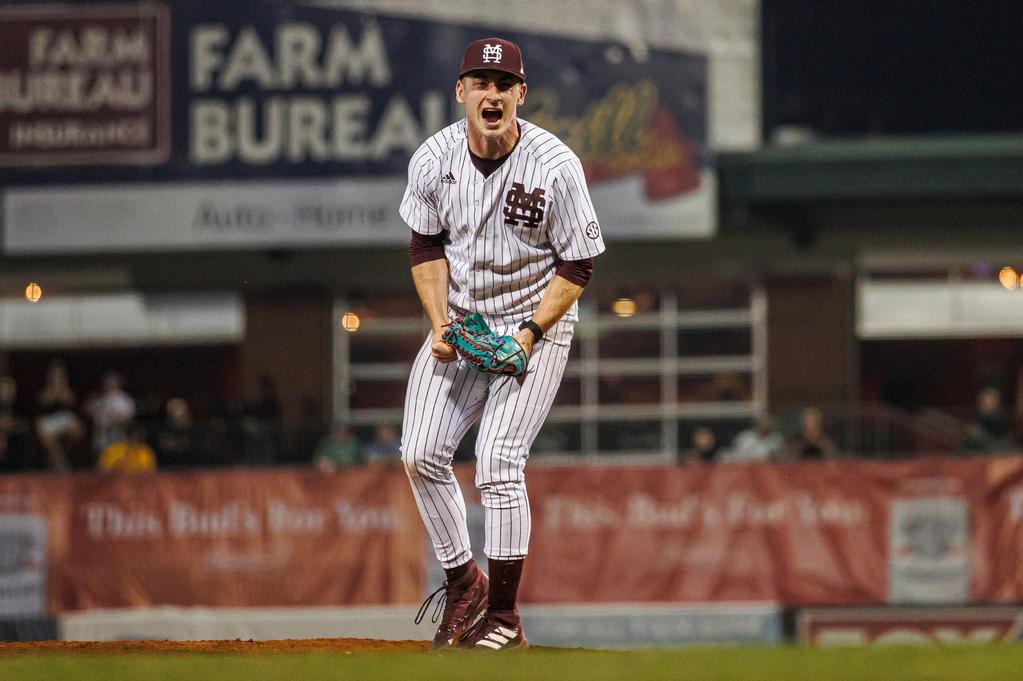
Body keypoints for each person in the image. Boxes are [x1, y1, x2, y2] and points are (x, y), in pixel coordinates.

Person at [398, 37, 605, 652]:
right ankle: (464, 583)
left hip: (533, 321)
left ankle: (505, 619)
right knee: (420, 453)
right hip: (462, 322)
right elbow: (424, 246)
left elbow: (580, 262)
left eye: (503, 83)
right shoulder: (433, 161)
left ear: (521, 94)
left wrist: (529, 334)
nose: (492, 93)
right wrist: (438, 324)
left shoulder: (555, 165)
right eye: (479, 82)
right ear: (461, 92)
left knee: (497, 462)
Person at [35, 359, 84, 471]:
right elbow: (43, 401)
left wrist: (62, 388)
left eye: (60, 372)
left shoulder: (68, 383)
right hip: (47, 418)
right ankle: (60, 463)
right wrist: (53, 391)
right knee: (47, 435)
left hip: (64, 416)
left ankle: (60, 457)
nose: (57, 375)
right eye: (54, 373)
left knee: (77, 431)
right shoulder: (43, 383)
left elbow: (71, 400)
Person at [86, 371, 137, 455]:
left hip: (118, 437)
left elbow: (129, 418)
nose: (109, 384)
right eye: (107, 382)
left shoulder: (124, 399)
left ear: (118, 383)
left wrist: (113, 418)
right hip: (101, 437)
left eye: (112, 382)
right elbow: (88, 410)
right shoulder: (101, 399)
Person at [721, 414, 786, 463]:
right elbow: (736, 455)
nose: (765, 425)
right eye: (762, 423)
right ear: (757, 424)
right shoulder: (746, 437)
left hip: (767, 471)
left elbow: (783, 459)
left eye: (767, 423)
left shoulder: (777, 439)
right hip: (744, 469)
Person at [0, 376, 31, 471]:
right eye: (5, 390)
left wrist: (13, 425)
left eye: (11, 390)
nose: (9, 394)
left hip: (15, 441)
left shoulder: (21, 405)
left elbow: (27, 425)